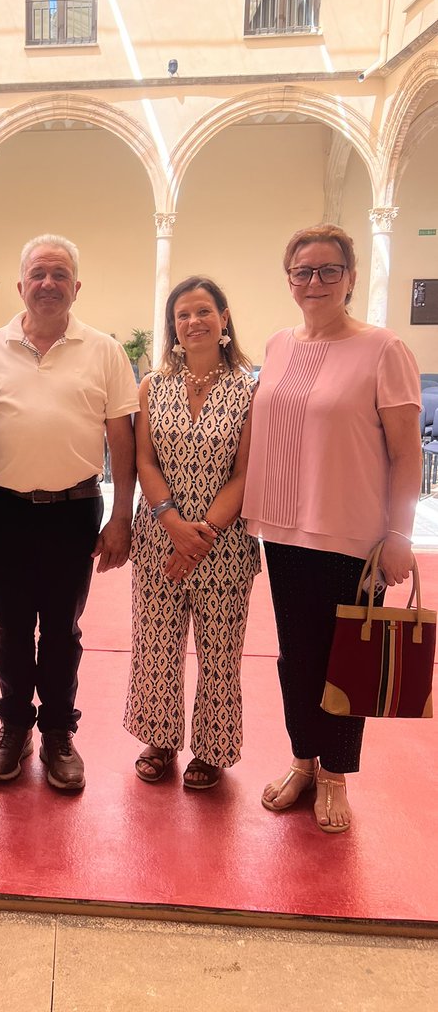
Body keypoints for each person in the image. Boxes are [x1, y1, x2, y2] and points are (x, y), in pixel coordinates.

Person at [243, 224, 421, 833]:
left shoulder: (384, 348)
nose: (314, 282)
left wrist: (401, 533)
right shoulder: (277, 345)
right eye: (302, 271)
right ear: (288, 279)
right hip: (285, 532)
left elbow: (406, 452)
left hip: (356, 539)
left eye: (328, 271)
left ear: (349, 277)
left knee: (348, 663)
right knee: (297, 659)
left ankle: (335, 774)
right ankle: (301, 760)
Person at [0, 234, 138, 792]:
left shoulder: (104, 350)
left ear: (76, 287)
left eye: (59, 274)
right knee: (10, 627)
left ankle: (58, 734)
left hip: (75, 511)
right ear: (21, 285)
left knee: (63, 631)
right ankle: (15, 726)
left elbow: (122, 435)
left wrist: (121, 518)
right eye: (38, 274)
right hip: (3, 511)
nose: (48, 283)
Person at [124, 277, 260, 790]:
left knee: (220, 649)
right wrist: (172, 523)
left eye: (204, 311)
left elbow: (246, 473)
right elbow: (144, 458)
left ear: (224, 318)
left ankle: (213, 747)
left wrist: (200, 536)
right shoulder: (153, 385)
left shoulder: (248, 388)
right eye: (182, 314)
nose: (193, 322)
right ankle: (158, 739)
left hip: (224, 544)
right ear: (172, 325)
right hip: (160, 535)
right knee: (155, 644)